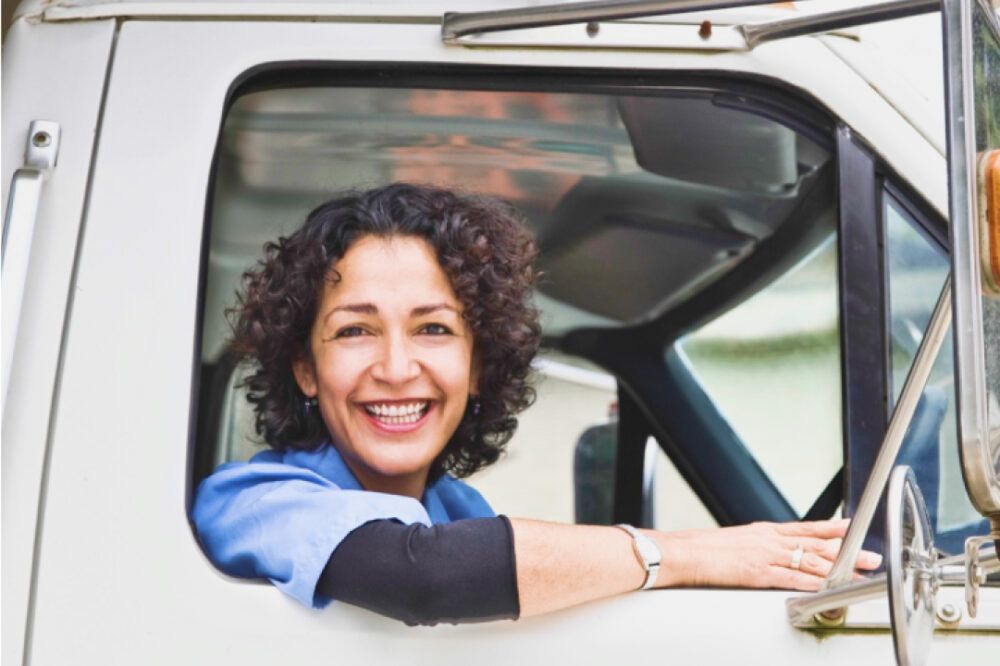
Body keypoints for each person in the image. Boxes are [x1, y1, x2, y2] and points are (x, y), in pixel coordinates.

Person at [192, 183, 881, 626]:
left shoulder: (459, 512)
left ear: (479, 362)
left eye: (434, 328)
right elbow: (423, 573)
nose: (397, 369)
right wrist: (691, 554)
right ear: (305, 370)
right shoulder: (254, 499)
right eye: (354, 331)